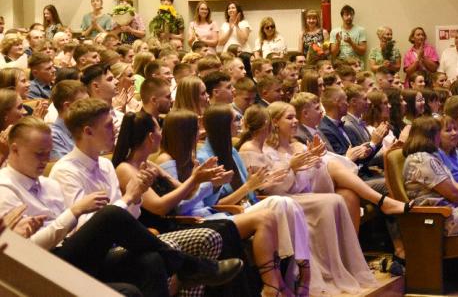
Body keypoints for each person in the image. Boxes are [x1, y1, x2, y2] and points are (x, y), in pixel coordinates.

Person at [0, 116, 243, 295]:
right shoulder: (5, 188)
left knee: (150, 261)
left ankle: (187, 265)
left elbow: (87, 230)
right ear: (14, 149)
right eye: (39, 154)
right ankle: (189, 265)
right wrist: (74, 212)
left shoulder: (50, 184)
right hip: (41, 265)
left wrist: (134, 197)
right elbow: (24, 252)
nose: (45, 160)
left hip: (78, 252)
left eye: (48, 152)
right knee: (110, 215)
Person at [238, 103, 379, 295]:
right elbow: (268, 187)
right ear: (273, 122)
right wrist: (292, 167)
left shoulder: (294, 144)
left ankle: (336, 267)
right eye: (289, 117)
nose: (295, 121)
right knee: (330, 201)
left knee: (337, 199)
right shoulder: (256, 149)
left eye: (295, 117)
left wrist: (314, 162)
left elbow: (306, 183)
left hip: (295, 194)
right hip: (278, 199)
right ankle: (318, 272)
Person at [156, 110, 291, 296]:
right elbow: (179, 206)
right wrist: (207, 184)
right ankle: (272, 286)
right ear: (184, 132)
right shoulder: (166, 160)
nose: (199, 133)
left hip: (207, 214)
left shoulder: (190, 157)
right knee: (265, 218)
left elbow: (205, 200)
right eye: (195, 129)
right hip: (190, 222)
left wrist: (214, 185)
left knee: (273, 213)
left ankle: (278, 283)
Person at [197, 104, 312, 296]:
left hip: (248, 207)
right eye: (234, 120)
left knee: (287, 204)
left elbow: (250, 193)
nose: (239, 123)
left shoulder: (232, 152)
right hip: (226, 215)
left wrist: (260, 184)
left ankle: (295, 274)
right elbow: (214, 205)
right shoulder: (204, 158)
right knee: (281, 202)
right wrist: (249, 186)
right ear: (223, 125)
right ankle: (290, 277)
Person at [403, 116, 458, 235]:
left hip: (449, 209)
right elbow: (453, 194)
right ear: (431, 135)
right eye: (438, 133)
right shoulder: (421, 160)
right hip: (438, 216)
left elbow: (453, 186)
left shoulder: (429, 156)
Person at [50, 81, 89, 160]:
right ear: (67, 106)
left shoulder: (87, 128)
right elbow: (67, 165)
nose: (90, 106)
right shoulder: (53, 136)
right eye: (85, 103)